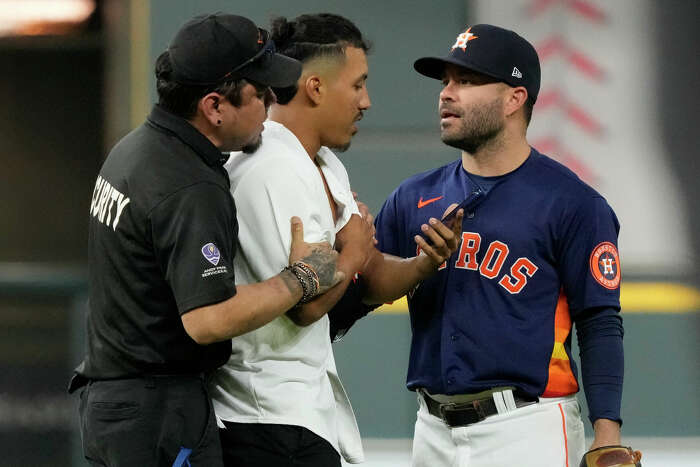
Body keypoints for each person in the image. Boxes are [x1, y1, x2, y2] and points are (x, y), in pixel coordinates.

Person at [68, 14, 345, 467]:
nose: (272, 104)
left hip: (114, 404)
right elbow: (207, 320)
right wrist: (302, 279)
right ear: (214, 106)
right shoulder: (192, 187)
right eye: (260, 93)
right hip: (157, 412)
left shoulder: (135, 149)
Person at [210, 13, 463, 467]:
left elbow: (371, 275)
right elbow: (308, 304)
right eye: (358, 84)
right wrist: (355, 250)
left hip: (302, 414)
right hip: (262, 419)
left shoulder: (322, 162)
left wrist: (424, 263)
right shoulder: (273, 168)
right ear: (315, 87)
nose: (366, 101)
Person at [373, 24, 627, 466]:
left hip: (528, 428)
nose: (446, 94)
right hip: (431, 428)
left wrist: (606, 432)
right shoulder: (413, 197)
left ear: (515, 98)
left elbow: (599, 320)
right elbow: (364, 288)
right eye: (445, 81)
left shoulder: (572, 203)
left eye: (466, 81)